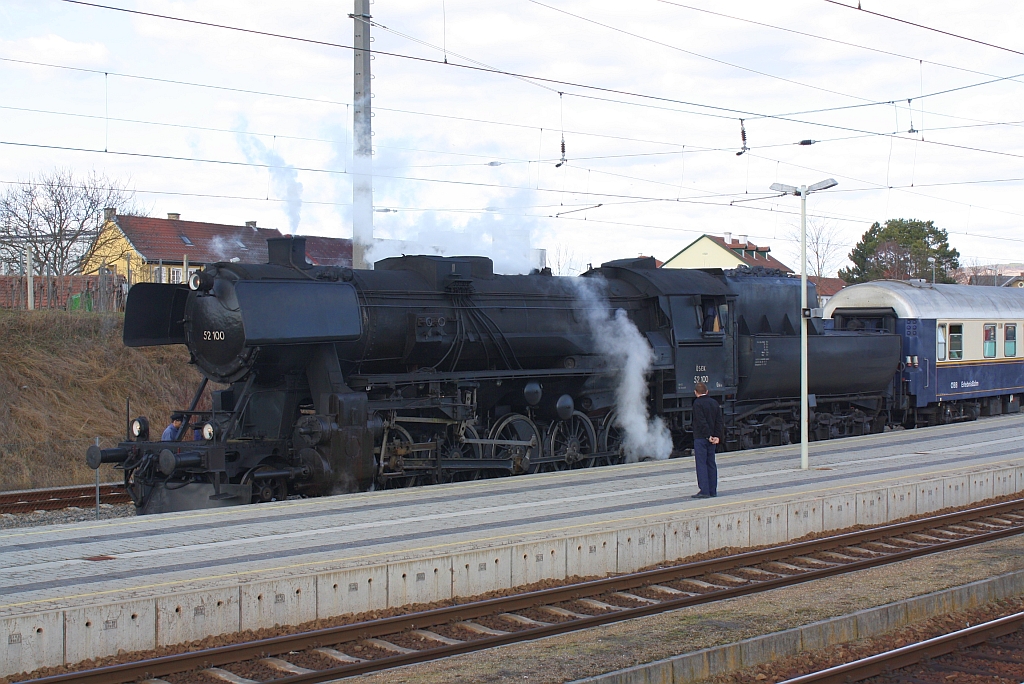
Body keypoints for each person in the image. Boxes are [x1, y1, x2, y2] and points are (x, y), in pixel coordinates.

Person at [691, 382, 724, 499]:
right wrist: (716, 436)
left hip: (701, 438)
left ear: (696, 392)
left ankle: (704, 490)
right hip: (713, 439)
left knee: (701, 464)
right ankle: (713, 490)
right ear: (707, 391)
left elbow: (701, 421)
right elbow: (719, 421)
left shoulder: (697, 404)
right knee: (711, 463)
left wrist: (707, 436)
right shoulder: (714, 403)